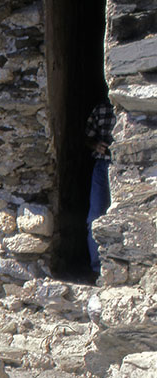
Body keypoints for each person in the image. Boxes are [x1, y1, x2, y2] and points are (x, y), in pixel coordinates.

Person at [86, 100, 114, 277]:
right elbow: (86, 138)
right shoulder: (101, 108)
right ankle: (98, 270)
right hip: (103, 166)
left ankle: (119, 267)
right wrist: (96, 145)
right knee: (95, 217)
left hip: (130, 168)